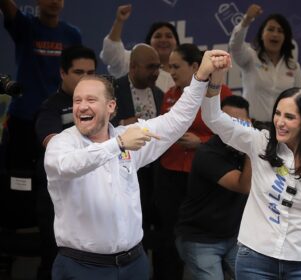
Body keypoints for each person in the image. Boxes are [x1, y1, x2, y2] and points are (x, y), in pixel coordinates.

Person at [43, 49, 231, 280]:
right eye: (77, 101)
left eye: (91, 100)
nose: (82, 107)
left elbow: (176, 120)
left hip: (134, 265)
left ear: (111, 107)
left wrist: (200, 76)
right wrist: (118, 145)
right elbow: (68, 166)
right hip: (83, 267)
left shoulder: (128, 136)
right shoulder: (62, 143)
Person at [201, 69, 301, 278]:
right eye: (277, 113)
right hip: (255, 259)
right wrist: (213, 83)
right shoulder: (260, 141)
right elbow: (213, 118)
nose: (280, 122)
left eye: (289, 117)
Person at [154, 43, 232, 280]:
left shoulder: (221, 92)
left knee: (196, 235)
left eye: (177, 66)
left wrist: (202, 142)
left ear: (196, 66)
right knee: (166, 233)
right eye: (169, 67)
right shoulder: (170, 94)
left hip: (202, 176)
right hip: (169, 171)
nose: (172, 72)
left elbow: (230, 134)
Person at [0, 0, 81, 227]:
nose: (54, 2)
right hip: (23, 118)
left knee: (59, 179)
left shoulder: (72, 34)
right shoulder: (25, 27)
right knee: (18, 180)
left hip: (58, 120)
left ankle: (57, 230)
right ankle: (15, 232)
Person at [34, 45, 97, 280]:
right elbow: (54, 147)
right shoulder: (50, 107)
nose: (86, 79)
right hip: (57, 200)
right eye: (79, 72)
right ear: (63, 73)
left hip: (91, 196)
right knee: (54, 262)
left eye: (91, 73)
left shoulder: (101, 106)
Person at [175, 95, 251, 280]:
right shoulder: (208, 154)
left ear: (249, 123)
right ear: (217, 123)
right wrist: (252, 146)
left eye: (240, 123)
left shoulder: (245, 150)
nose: (234, 129)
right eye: (228, 123)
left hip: (234, 237)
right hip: (200, 239)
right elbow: (243, 186)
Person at [111, 43, 164, 275]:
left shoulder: (160, 93)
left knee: (159, 228)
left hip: (157, 172)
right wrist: (123, 124)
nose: (156, 72)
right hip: (126, 170)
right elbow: (99, 126)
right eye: (151, 67)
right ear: (133, 67)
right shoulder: (112, 89)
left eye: (158, 67)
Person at [229, 3, 301, 123]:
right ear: (262, 35)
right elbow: (235, 46)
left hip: (280, 129)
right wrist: (246, 20)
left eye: (280, 31)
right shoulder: (251, 57)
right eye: (270, 29)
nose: (275, 34)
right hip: (250, 126)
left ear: (286, 38)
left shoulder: (293, 67)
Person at [100, 4, 177, 93]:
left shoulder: (184, 72)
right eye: (158, 36)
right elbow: (111, 56)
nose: (163, 40)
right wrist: (119, 21)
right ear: (148, 43)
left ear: (177, 43)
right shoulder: (134, 60)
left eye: (169, 36)